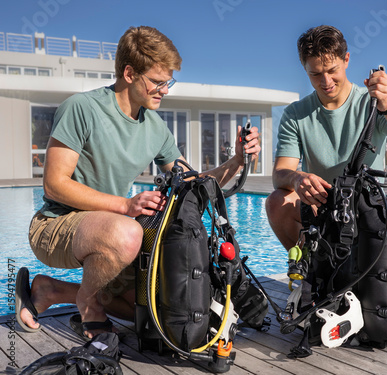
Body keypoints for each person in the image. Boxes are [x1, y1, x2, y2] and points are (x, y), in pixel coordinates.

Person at [16, 26, 261, 339]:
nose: (165, 90)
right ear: (129, 73)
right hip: (55, 226)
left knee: (155, 306)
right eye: (157, 82)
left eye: (168, 81)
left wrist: (238, 160)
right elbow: (54, 184)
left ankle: (48, 290)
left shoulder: (154, 127)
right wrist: (124, 205)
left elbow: (195, 183)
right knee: (130, 232)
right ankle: (87, 304)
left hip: (112, 231)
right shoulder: (82, 108)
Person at [266, 25, 387, 251]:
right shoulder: (296, 113)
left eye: (332, 70)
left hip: (364, 206)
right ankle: (310, 272)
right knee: (276, 203)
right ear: (304, 68)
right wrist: (296, 178)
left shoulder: (372, 103)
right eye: (315, 74)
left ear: (346, 59)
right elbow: (280, 174)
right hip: (320, 206)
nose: (326, 81)